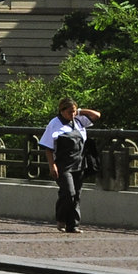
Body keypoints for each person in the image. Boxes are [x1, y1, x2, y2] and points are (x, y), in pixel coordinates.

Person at [40, 98, 100, 233]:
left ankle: (73, 225)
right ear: (61, 111)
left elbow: (97, 115)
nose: (71, 115)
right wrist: (52, 165)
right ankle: (61, 219)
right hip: (63, 165)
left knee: (77, 195)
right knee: (68, 192)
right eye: (69, 112)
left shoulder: (78, 121)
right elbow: (48, 147)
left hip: (79, 163)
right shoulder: (54, 124)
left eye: (73, 112)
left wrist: (79, 111)